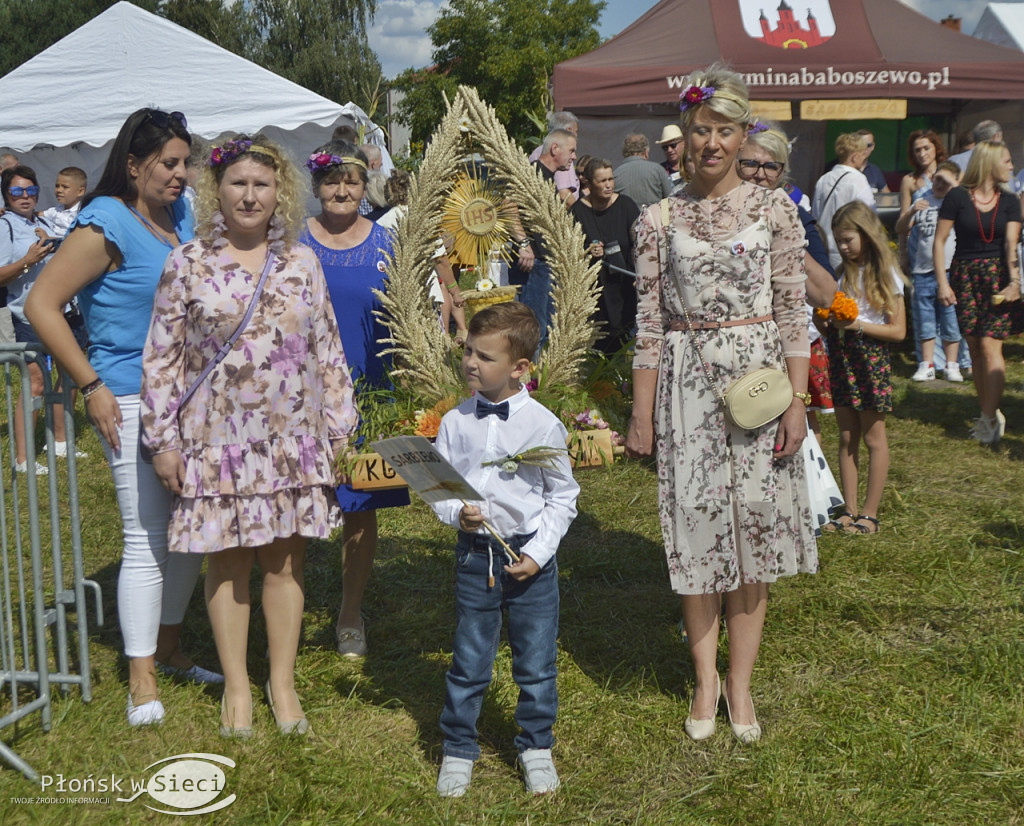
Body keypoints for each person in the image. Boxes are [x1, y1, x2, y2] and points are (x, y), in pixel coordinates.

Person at [625, 65, 817, 745]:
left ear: (743, 137)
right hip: (685, 385)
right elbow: (648, 324)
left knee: (755, 534)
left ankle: (741, 683)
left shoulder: (775, 210)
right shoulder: (656, 219)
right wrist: (641, 414)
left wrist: (796, 401)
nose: (709, 143)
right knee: (697, 530)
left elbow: (795, 310)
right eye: (700, 130)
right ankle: (705, 678)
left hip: (761, 384)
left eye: (723, 131)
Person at [139, 135, 355, 737]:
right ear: (218, 190)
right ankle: (237, 683)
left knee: (286, 562)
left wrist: (340, 429)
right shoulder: (187, 263)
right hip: (217, 442)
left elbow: (327, 349)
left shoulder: (302, 264)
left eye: (262, 184)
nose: (250, 195)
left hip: (291, 441)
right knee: (228, 564)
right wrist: (164, 441)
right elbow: (160, 359)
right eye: (238, 183)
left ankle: (281, 684)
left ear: (279, 192)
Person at [25, 108, 219, 727]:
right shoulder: (104, 221)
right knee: (145, 536)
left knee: (189, 530)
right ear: (133, 166)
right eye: (169, 163)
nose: (181, 174)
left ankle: (170, 646)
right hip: (129, 395)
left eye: (185, 163)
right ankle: (141, 680)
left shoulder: (179, 214)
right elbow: (41, 305)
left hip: (191, 397)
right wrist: (92, 387)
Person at [431, 302, 579, 797]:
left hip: (530, 559)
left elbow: (563, 496)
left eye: (485, 357)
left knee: (535, 660)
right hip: (476, 556)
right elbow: (441, 491)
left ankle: (535, 744)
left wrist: (538, 553)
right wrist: (459, 513)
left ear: (519, 369)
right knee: (470, 655)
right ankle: (458, 746)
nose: (471, 363)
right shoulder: (455, 422)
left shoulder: (542, 425)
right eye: (469, 351)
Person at [300, 141, 411, 657]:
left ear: (366, 186)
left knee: (359, 504)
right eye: (331, 181)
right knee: (294, 502)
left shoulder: (388, 243)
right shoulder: (292, 243)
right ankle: (288, 606)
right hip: (300, 392)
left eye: (352, 181)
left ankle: (349, 612)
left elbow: (409, 317)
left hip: (370, 388)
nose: (342, 190)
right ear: (316, 185)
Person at [737, 126, 839, 449]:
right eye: (750, 164)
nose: (759, 174)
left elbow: (825, 294)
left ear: (782, 173)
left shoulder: (796, 217)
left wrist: (785, 236)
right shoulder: (714, 214)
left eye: (770, 167)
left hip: (778, 352)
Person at [820, 202, 907, 535]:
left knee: (874, 437)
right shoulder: (843, 274)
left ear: (866, 235)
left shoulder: (886, 275)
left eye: (848, 239)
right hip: (842, 356)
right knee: (845, 436)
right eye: (838, 241)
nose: (843, 247)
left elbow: (897, 331)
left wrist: (855, 325)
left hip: (869, 359)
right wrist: (827, 320)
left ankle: (869, 514)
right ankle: (849, 509)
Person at [934, 140, 1023, 444]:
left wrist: (1014, 282)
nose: (1012, 167)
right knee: (973, 346)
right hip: (964, 274)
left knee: (990, 346)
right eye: (1007, 161)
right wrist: (942, 282)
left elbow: (1011, 244)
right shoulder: (958, 197)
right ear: (990, 163)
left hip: (997, 275)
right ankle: (989, 412)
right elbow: (939, 240)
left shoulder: (1010, 201)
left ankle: (987, 419)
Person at [0, 165, 81, 474]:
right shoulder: (5, 226)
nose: (25, 196)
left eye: (30, 190)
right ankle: (23, 459)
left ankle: (60, 442)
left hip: (60, 310)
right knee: (34, 382)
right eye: (17, 191)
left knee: (70, 373)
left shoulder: (45, 220)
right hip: (28, 312)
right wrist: (26, 261)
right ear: (7, 195)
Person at [374, 169, 467, 342]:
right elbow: (440, 260)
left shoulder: (380, 223)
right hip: (425, 290)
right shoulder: (423, 220)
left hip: (394, 292)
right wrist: (455, 292)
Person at [895, 160, 963, 382]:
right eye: (936, 180)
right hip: (922, 271)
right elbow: (900, 228)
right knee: (925, 320)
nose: (940, 184)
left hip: (948, 270)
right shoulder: (923, 201)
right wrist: (912, 210)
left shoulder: (957, 202)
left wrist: (953, 183)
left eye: (945, 180)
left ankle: (952, 365)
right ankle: (927, 363)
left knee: (950, 319)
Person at [509, 129, 577, 349]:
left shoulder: (549, 179)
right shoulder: (531, 174)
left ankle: (543, 378)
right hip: (533, 263)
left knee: (548, 327)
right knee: (533, 329)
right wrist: (523, 244)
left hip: (546, 262)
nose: (574, 156)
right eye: (572, 150)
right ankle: (528, 380)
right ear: (555, 148)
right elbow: (508, 206)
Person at [569, 157, 639, 353]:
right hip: (597, 291)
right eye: (602, 181)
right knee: (602, 345)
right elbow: (570, 249)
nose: (608, 185)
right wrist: (587, 250)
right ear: (589, 184)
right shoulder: (578, 211)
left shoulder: (626, 205)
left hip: (625, 287)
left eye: (611, 179)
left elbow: (641, 243)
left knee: (625, 343)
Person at [812, 133, 875, 269]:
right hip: (849, 249)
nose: (864, 158)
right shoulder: (857, 179)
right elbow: (869, 215)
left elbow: (815, 215)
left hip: (824, 248)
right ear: (854, 156)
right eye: (862, 154)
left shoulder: (823, 179)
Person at [613, 133, 673, 210]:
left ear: (625, 153)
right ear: (645, 152)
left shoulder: (615, 174)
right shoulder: (658, 170)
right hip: (653, 220)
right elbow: (671, 198)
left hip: (626, 221)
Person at [42, 167, 87, 235]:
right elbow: (37, 214)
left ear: (80, 191)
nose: (59, 190)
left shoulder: (82, 214)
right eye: (57, 186)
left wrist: (48, 238)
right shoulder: (57, 210)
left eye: (65, 187)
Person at [856, 129, 890, 193]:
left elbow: (888, 197)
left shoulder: (875, 171)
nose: (865, 149)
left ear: (873, 146)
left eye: (868, 145)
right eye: (861, 145)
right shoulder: (846, 169)